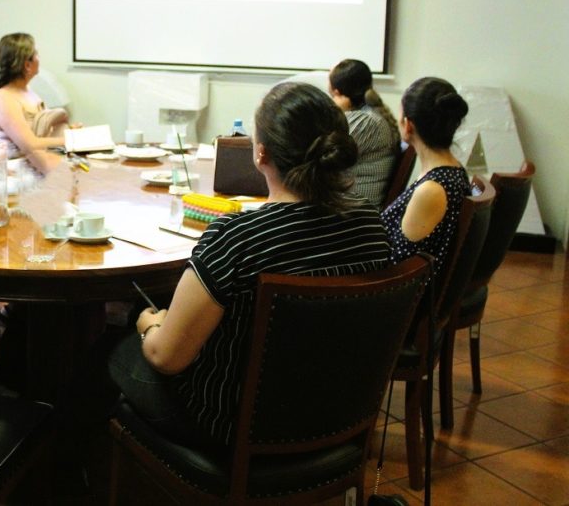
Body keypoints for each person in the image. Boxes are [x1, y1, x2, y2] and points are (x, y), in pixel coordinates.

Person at [108, 82, 392, 447]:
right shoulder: (369, 223)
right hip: (337, 416)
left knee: (114, 349)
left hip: (233, 428)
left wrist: (150, 325)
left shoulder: (237, 237)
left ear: (260, 154)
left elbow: (167, 358)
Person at [381, 77, 470, 274]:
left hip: (395, 289)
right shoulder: (451, 170)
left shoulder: (432, 189)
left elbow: (400, 267)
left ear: (408, 125)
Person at [0, 33, 69, 172]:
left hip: (37, 166)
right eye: (37, 54)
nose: (39, 58)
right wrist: (72, 140)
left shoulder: (27, 92)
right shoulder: (5, 99)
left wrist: (70, 132)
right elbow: (31, 144)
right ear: (27, 65)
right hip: (18, 174)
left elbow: (43, 133)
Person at [328, 58, 401, 207]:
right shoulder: (370, 115)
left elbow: (321, 157)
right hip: (354, 207)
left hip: (354, 211)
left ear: (337, 93)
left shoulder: (365, 122)